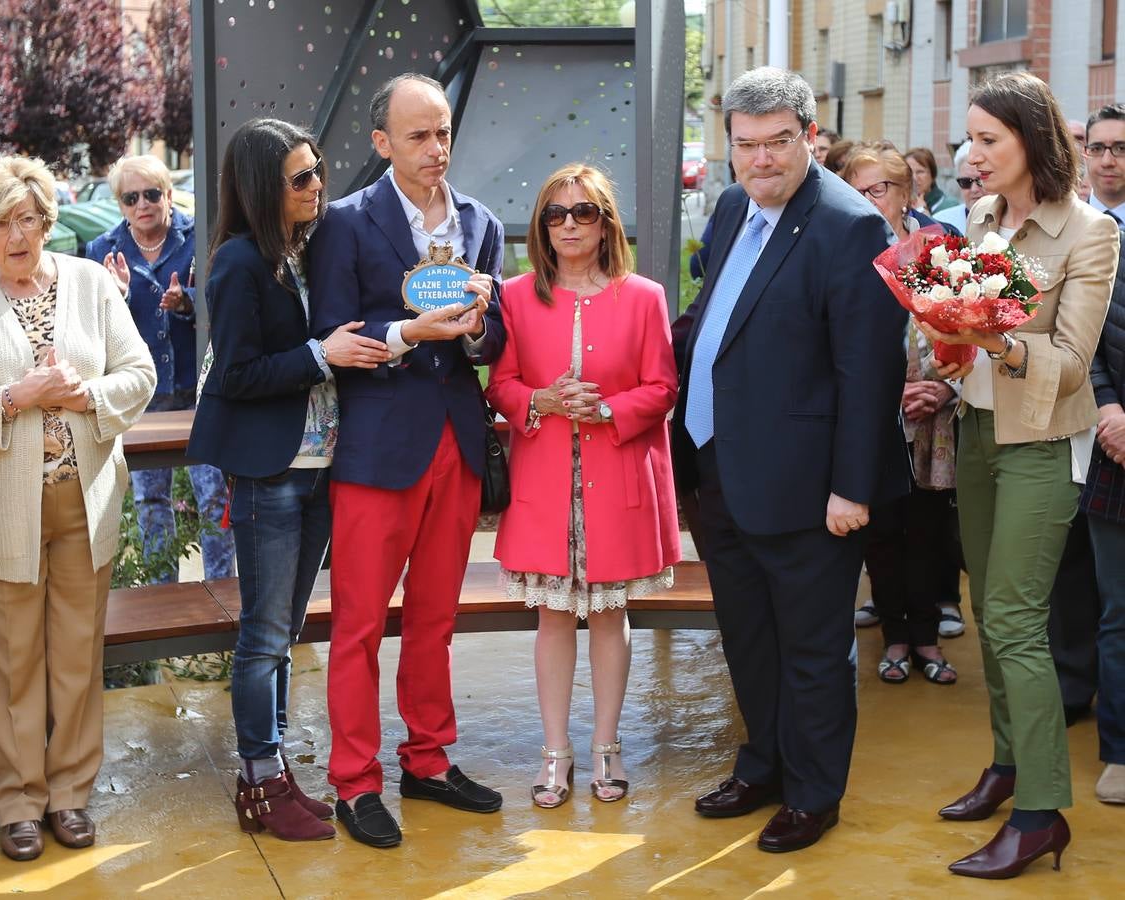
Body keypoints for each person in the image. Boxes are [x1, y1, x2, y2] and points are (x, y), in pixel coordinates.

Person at [671, 67, 909, 854]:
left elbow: (869, 373)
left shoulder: (850, 227)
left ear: (811, 137)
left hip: (810, 488)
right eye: (746, 145)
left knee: (811, 651)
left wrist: (852, 489)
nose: (761, 159)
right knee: (749, 639)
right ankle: (764, 766)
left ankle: (813, 796)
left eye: (778, 142)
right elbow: (715, 317)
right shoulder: (732, 205)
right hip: (721, 469)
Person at [0, 157, 156, 862]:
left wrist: (84, 394)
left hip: (84, 501)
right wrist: (13, 397)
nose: (16, 236)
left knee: (78, 654)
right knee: (10, 660)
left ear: (47, 221)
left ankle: (70, 795)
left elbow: (139, 374)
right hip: (2, 508)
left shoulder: (90, 283)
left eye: (28, 219)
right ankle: (19, 802)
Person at [919, 72, 1119, 879]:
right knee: (988, 609)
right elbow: (964, 335)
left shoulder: (1090, 233)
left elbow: (1071, 364)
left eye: (987, 140)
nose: (972, 154)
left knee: (1012, 618)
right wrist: (948, 340)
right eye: (969, 138)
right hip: (975, 429)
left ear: (1031, 142)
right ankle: (1007, 765)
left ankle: (1040, 814)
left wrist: (995, 339)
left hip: (1042, 440)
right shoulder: (977, 217)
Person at [308, 72, 506, 848]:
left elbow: (492, 344)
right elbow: (332, 331)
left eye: (444, 132)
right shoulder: (345, 222)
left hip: (455, 441)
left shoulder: (481, 222)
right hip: (376, 446)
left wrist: (480, 325)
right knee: (357, 623)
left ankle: (427, 760)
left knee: (435, 618)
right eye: (419, 135)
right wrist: (405, 334)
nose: (436, 148)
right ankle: (355, 782)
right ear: (382, 142)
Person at [187, 119, 391, 841]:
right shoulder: (239, 263)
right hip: (271, 473)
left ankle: (273, 772)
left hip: (319, 470)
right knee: (265, 634)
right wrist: (321, 354)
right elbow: (237, 374)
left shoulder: (301, 253)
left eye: (318, 172)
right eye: (300, 178)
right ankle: (259, 782)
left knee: (286, 630)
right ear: (261, 188)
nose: (317, 188)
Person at [486, 164, 680, 809]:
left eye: (583, 212)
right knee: (552, 617)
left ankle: (606, 747)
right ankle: (555, 753)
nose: (568, 224)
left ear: (606, 224)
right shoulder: (515, 297)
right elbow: (500, 385)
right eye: (555, 214)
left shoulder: (644, 296)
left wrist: (606, 410)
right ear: (542, 227)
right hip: (544, 481)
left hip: (617, 477)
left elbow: (663, 387)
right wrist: (539, 399)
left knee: (608, 615)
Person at [841, 146, 962, 685]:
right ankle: (894, 635)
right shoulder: (845, 251)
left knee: (929, 530)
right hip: (874, 415)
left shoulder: (940, 247)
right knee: (883, 532)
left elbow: (973, 328)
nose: (868, 201)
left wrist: (944, 388)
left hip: (936, 415)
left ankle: (927, 639)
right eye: (856, 191)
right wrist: (887, 393)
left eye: (879, 189)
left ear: (907, 193)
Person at [86, 155, 234, 584]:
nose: (142, 205)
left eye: (151, 194)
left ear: (168, 195)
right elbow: (94, 326)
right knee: (150, 501)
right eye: (130, 198)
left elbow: (223, 300)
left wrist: (187, 301)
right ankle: (159, 592)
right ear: (120, 204)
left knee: (213, 497)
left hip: (196, 389)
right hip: (143, 395)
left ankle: (221, 589)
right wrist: (117, 297)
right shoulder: (102, 251)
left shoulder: (200, 237)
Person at [1074, 102, 1125, 802]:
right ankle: (1119, 749)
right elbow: (1082, 340)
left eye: (1123, 147)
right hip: (1112, 450)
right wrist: (1109, 409)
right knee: (1118, 612)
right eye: (1101, 147)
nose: (1110, 159)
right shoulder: (1083, 235)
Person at [906, 147, 960, 217]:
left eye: (920, 172)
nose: (914, 178)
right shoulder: (900, 206)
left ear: (932, 175)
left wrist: (923, 212)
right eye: (909, 172)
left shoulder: (949, 206)